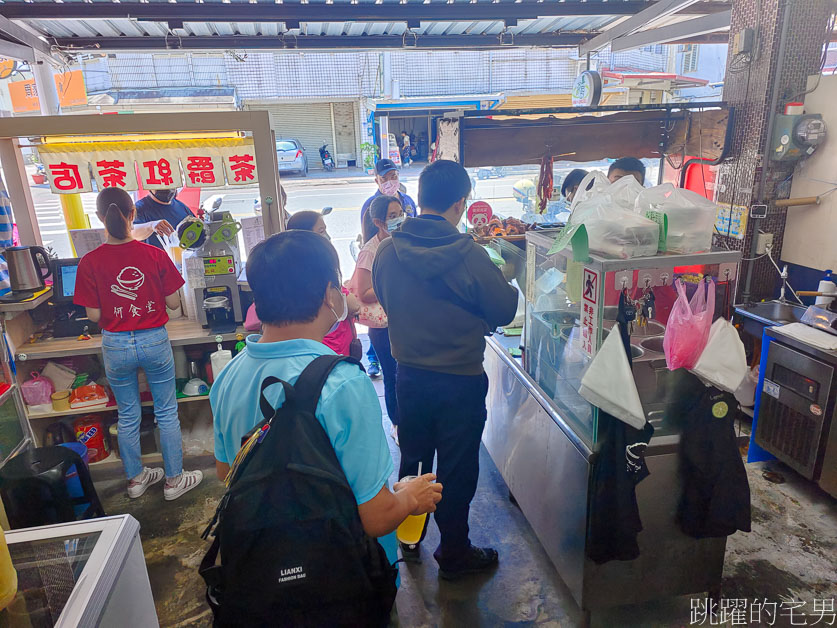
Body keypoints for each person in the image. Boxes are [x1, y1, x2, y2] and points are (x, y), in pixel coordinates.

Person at [210, 230, 443, 592]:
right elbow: (377, 517)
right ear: (328, 294)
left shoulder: (228, 377)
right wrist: (409, 497)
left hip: (263, 574)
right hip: (342, 580)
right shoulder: (343, 383)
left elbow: (228, 471)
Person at [372, 160, 518, 578]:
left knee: (414, 459)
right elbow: (505, 309)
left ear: (419, 200)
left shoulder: (387, 250)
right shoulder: (469, 254)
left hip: (409, 377)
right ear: (460, 203)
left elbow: (384, 297)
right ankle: (454, 553)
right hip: (460, 380)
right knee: (456, 470)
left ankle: (408, 538)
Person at [74, 188, 203, 500]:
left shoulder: (89, 262)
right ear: (133, 214)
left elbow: (93, 315)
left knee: (128, 414)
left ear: (100, 218)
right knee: (166, 412)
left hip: (115, 345)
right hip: (154, 340)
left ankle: (135, 480)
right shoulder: (154, 254)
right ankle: (173, 481)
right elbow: (173, 304)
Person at [351, 195, 405, 444]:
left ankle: (406, 420)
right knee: (393, 375)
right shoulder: (369, 251)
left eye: (400, 213)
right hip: (383, 328)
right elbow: (363, 292)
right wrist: (393, 287)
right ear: (378, 221)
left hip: (402, 319)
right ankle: (397, 425)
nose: (399, 219)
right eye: (392, 216)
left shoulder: (403, 241)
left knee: (404, 374)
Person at [360, 159, 417, 377]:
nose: (390, 182)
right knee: (392, 371)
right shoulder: (371, 207)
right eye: (385, 178)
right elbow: (364, 292)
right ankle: (373, 358)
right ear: (377, 180)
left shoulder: (408, 200)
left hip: (405, 311)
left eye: (394, 176)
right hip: (383, 319)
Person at [286, 209, 361, 358]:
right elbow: (353, 305)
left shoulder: (292, 267)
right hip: (332, 349)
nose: (327, 236)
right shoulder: (318, 268)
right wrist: (346, 294)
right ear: (305, 236)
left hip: (329, 346)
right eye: (321, 231)